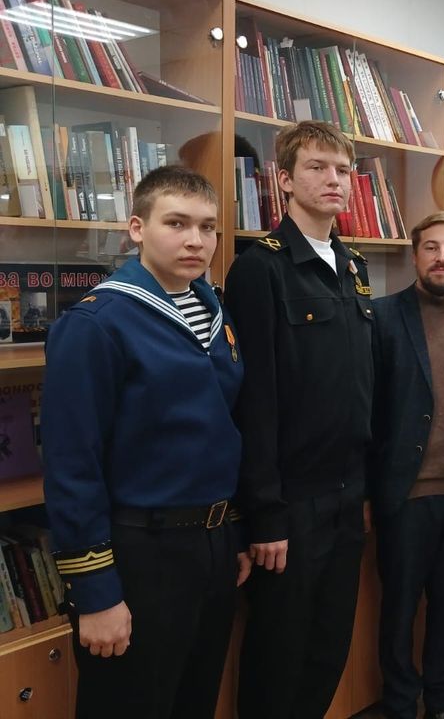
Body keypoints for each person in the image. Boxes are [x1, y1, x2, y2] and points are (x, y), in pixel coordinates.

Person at [41, 165, 247, 718]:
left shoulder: (212, 307)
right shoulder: (97, 323)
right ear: (137, 228)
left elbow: (222, 430)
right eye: (176, 223)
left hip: (211, 544)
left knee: (193, 700)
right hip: (140, 550)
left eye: (207, 227)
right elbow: (71, 464)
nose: (195, 240)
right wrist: (96, 592)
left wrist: (232, 533)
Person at [224, 120, 374, 718]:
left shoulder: (353, 265)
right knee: (278, 654)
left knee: (327, 649)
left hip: (347, 495)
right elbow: (253, 401)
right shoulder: (260, 268)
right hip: (291, 502)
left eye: (342, 170)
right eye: (317, 167)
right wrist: (265, 514)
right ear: (284, 180)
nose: (334, 179)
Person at [370, 211, 444, 719]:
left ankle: (440, 700)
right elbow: (368, 409)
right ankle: (399, 702)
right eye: (432, 247)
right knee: (398, 608)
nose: (442, 257)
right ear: (414, 255)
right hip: (405, 492)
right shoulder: (381, 317)